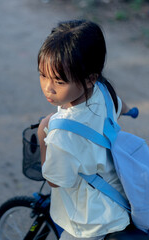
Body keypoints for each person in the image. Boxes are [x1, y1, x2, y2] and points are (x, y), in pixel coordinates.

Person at [37, 19, 131, 240]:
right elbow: (120, 104)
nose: (48, 88)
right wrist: (130, 110)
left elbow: (55, 180)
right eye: (43, 75)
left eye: (59, 82)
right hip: (120, 198)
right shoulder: (104, 91)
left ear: (90, 79)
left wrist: (43, 134)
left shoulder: (61, 134)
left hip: (90, 222)